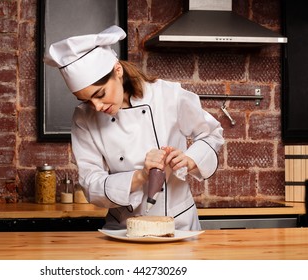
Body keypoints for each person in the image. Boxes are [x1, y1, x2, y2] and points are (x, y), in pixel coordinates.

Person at [44, 25, 224, 230]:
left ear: (117, 71)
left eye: (100, 94)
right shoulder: (84, 117)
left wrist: (190, 159)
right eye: (86, 100)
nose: (97, 107)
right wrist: (140, 176)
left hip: (179, 225)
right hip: (123, 228)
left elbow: (211, 134)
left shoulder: (167, 95)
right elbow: (91, 184)